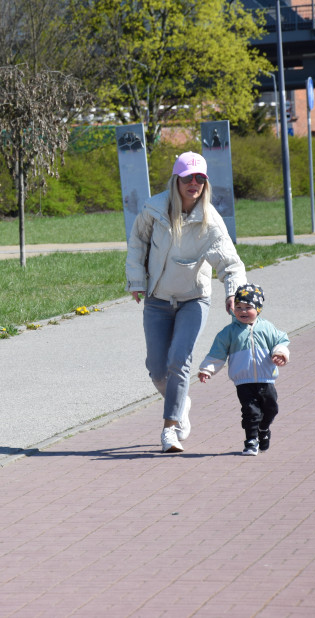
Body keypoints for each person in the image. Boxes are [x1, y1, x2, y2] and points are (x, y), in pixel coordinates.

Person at [126, 151, 247, 453]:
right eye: (187, 178)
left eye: (200, 178)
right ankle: (181, 402)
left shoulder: (211, 221)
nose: (194, 183)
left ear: (206, 183)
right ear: (176, 180)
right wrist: (137, 280)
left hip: (194, 299)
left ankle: (170, 429)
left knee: (179, 360)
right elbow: (138, 242)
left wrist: (233, 292)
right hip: (158, 299)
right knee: (157, 369)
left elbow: (231, 264)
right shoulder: (154, 209)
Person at [198, 284, 290, 456]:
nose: (243, 311)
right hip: (243, 381)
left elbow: (281, 340)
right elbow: (217, 352)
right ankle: (251, 441)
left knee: (271, 409)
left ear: (258, 309)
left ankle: (263, 429)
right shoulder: (229, 332)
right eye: (239, 307)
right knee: (250, 411)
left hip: (266, 379)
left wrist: (280, 353)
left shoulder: (267, 327)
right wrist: (207, 369)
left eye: (248, 307)